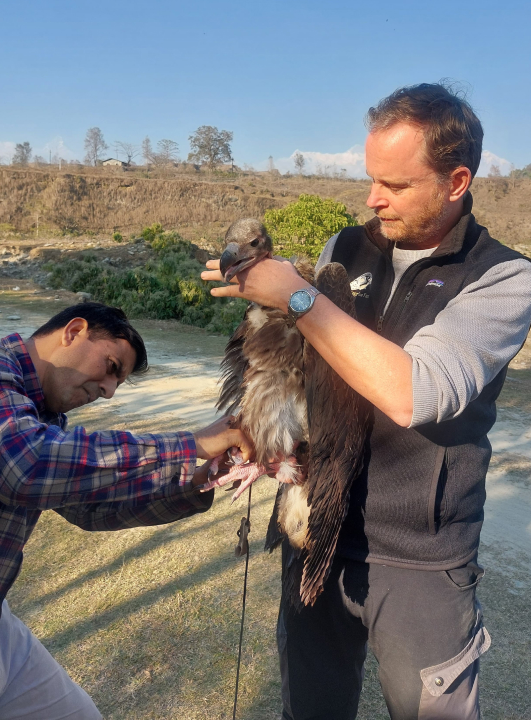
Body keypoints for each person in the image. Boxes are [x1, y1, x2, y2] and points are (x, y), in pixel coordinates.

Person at [202, 83, 531, 719]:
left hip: (420, 564)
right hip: (314, 523)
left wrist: (297, 299)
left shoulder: (503, 277)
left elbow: (416, 389)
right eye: (371, 178)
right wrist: (252, 432)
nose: (372, 199)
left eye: (397, 185)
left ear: (457, 179)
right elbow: (308, 374)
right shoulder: (343, 251)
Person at [0, 302, 251, 720]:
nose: (109, 391)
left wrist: (196, 479)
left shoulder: (47, 415)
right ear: (73, 331)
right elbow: (20, 466)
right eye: (111, 366)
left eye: (118, 382)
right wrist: (191, 443)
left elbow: (88, 510)